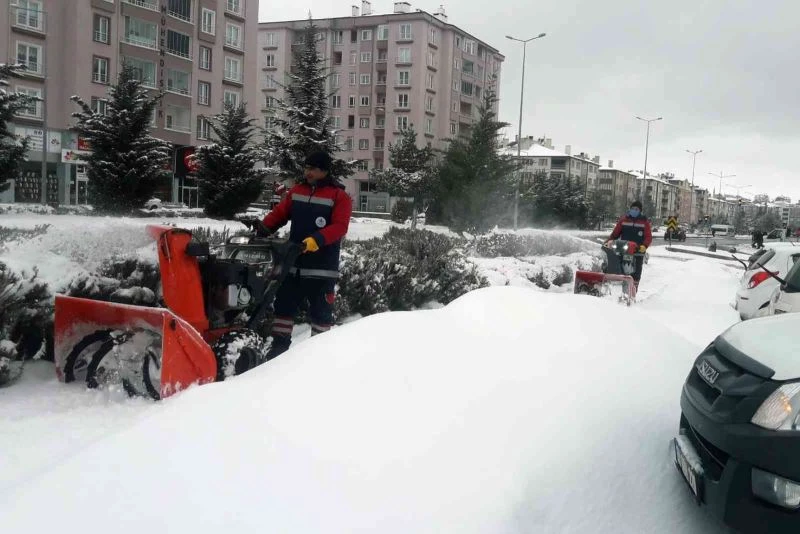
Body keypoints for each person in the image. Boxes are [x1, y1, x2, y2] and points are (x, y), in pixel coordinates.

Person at [259, 151, 352, 359]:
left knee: (321, 317)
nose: (307, 172)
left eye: (313, 168)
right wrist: (261, 229)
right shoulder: (297, 191)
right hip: (293, 265)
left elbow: (339, 227)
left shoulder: (339, 196)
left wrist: (316, 240)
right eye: (306, 167)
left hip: (322, 269)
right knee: (283, 310)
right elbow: (280, 214)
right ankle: (277, 356)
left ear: (324, 171)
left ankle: (319, 359)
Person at [608, 200, 653, 289]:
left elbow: (648, 237)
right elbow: (615, 234)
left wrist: (644, 246)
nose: (634, 210)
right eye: (632, 209)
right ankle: (619, 287)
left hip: (638, 252)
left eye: (636, 209)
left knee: (636, 272)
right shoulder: (624, 220)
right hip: (623, 250)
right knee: (620, 269)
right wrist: (609, 241)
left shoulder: (644, 222)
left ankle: (633, 290)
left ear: (640, 211)